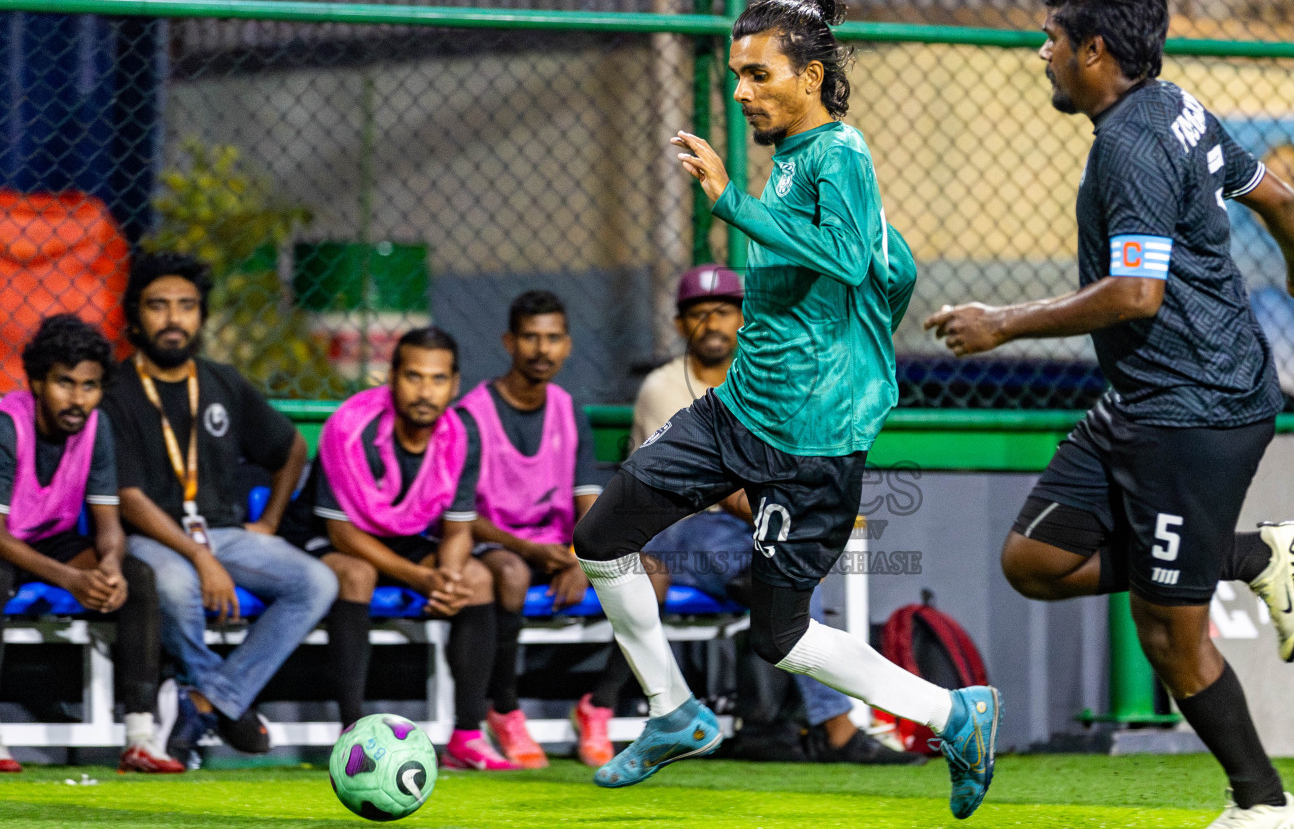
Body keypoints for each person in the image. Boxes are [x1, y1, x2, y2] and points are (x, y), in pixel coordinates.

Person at [924, 0, 1294, 829]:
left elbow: (1135, 295)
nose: (1042, 54)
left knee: (1169, 633)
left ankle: (1264, 809)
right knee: (1034, 559)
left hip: (1198, 412)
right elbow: (1283, 199)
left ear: (1095, 49)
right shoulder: (1179, 107)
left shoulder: (1133, 144)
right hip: (1143, 401)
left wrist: (1003, 322)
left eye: (1053, 40)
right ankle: (1256, 553)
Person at [573, 0, 1000, 820]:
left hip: (811, 443)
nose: (740, 92)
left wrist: (732, 204)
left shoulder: (841, 154)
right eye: (736, 74)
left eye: (757, 74)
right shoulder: (799, 160)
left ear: (809, 77)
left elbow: (847, 257)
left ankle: (956, 713)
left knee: (782, 637)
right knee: (601, 535)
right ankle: (673, 713)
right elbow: (885, 266)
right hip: (738, 414)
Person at [634, 263, 921, 765]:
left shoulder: (761, 381)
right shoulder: (663, 386)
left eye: (723, 311)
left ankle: (775, 725)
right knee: (783, 567)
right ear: (681, 326)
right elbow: (713, 487)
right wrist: (785, 507)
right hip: (675, 531)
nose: (712, 324)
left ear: (744, 317)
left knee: (790, 576)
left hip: (741, 525)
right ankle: (833, 728)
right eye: (698, 314)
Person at [103, 253, 338, 767]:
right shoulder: (116, 391)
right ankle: (226, 701)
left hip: (225, 534)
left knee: (315, 582)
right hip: (153, 538)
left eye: (186, 306)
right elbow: (130, 499)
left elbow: (292, 450)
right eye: (158, 306)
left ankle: (206, 701)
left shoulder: (222, 382)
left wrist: (270, 523)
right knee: (175, 582)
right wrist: (200, 557)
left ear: (201, 317)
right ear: (134, 316)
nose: (173, 318)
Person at [282, 327, 509, 771]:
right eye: (413, 376)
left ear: (455, 384)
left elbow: (459, 528)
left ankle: (467, 735)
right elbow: (342, 533)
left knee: (477, 579)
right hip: (325, 535)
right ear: (391, 378)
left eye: (438, 379)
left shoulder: (463, 433)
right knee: (358, 574)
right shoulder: (349, 427)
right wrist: (421, 578)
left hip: (406, 541)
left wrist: (447, 577)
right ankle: (352, 736)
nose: (425, 391)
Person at [0, 316, 182, 774]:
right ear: (38, 381)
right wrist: (73, 579)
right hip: (5, 541)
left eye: (90, 385)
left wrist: (111, 566)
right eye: (65, 383)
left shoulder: (96, 428)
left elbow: (108, 522)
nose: (78, 398)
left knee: (138, 579)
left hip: (49, 539)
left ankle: (141, 737)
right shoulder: (7, 425)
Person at [457, 291, 606, 769]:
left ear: (567, 345)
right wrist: (530, 549)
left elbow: (589, 503)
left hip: (560, 550)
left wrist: (583, 558)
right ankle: (503, 708)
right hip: (496, 548)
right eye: (531, 338)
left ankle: (598, 705)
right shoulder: (472, 414)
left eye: (553, 339)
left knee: (654, 573)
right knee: (513, 573)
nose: (542, 350)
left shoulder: (569, 410)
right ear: (509, 342)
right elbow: (461, 516)